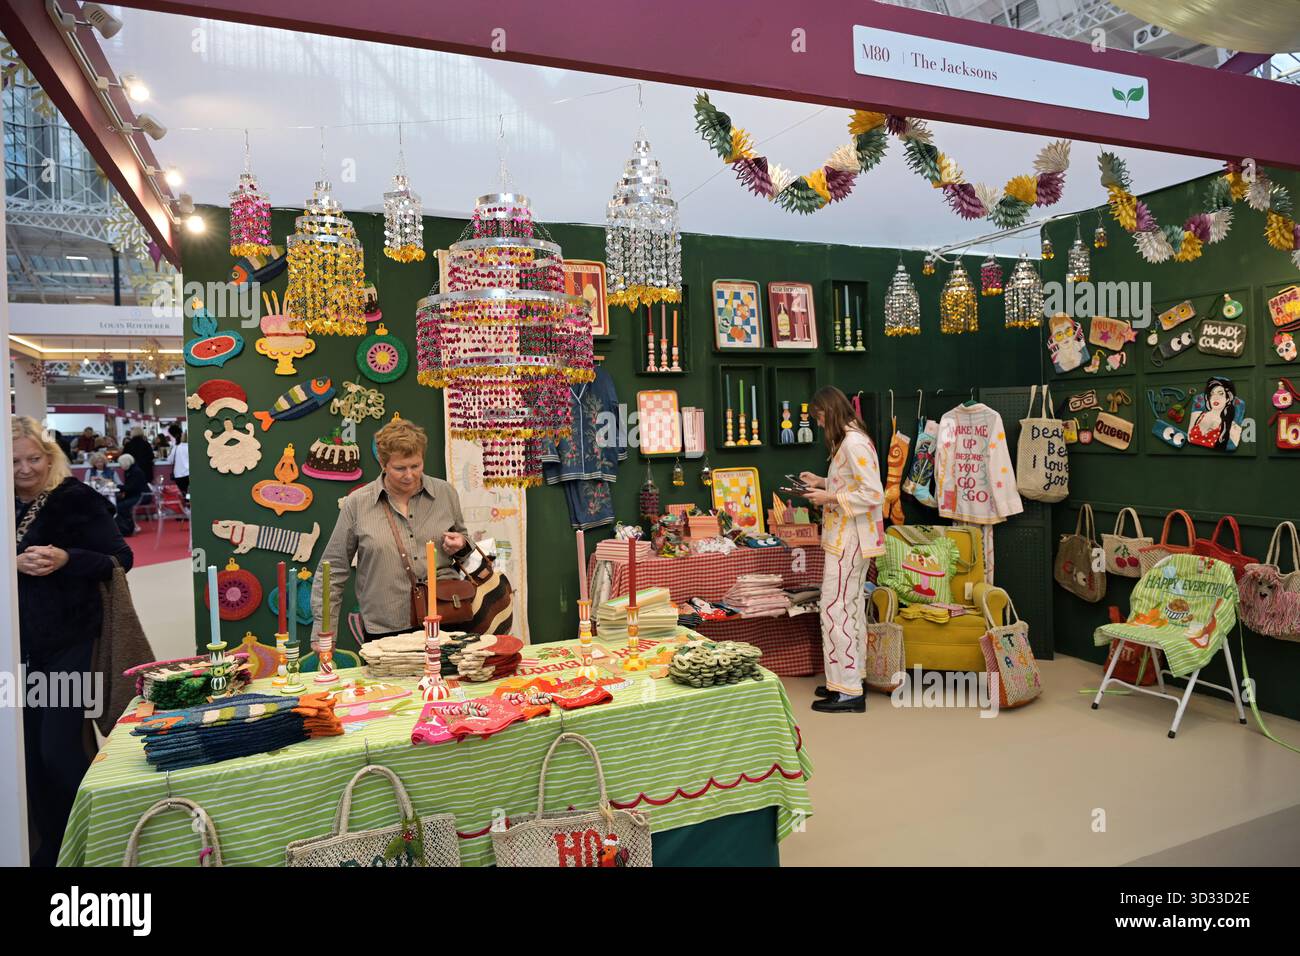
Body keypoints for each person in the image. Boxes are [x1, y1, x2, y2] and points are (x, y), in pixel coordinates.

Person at [12, 416, 134, 866]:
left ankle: (103, 837)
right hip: (14, 654)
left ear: (50, 457)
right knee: (25, 756)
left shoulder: (74, 500)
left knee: (59, 750)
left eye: (33, 458)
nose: (25, 470)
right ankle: (52, 847)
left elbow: (120, 558)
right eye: (14, 462)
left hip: (68, 645)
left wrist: (67, 557)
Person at [312, 418, 469, 642]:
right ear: (383, 464)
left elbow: (466, 544)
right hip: (386, 628)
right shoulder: (357, 503)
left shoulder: (446, 493)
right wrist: (323, 633)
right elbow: (333, 569)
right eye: (400, 468)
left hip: (446, 618)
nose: (409, 475)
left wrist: (461, 544)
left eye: (416, 466)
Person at [798, 386, 885, 714]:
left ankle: (848, 689)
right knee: (846, 608)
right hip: (848, 537)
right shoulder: (852, 440)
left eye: (819, 416)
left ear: (829, 411)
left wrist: (829, 498)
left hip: (849, 539)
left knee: (835, 609)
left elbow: (873, 494)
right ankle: (847, 678)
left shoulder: (853, 443)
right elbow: (853, 484)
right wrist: (823, 482)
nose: (819, 423)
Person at [113, 452, 149, 536]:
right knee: (117, 503)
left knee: (120, 506)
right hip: (137, 494)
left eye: (121, 464)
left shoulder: (135, 472)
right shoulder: (131, 471)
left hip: (142, 496)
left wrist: (117, 486)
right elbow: (130, 487)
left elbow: (131, 487)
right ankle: (127, 525)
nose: (120, 466)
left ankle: (129, 526)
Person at [168, 423, 190, 499]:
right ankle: (190, 504)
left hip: (179, 475)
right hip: (189, 473)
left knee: (183, 493)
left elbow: (170, 461)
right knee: (190, 492)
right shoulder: (190, 448)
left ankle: (186, 505)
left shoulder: (176, 447)